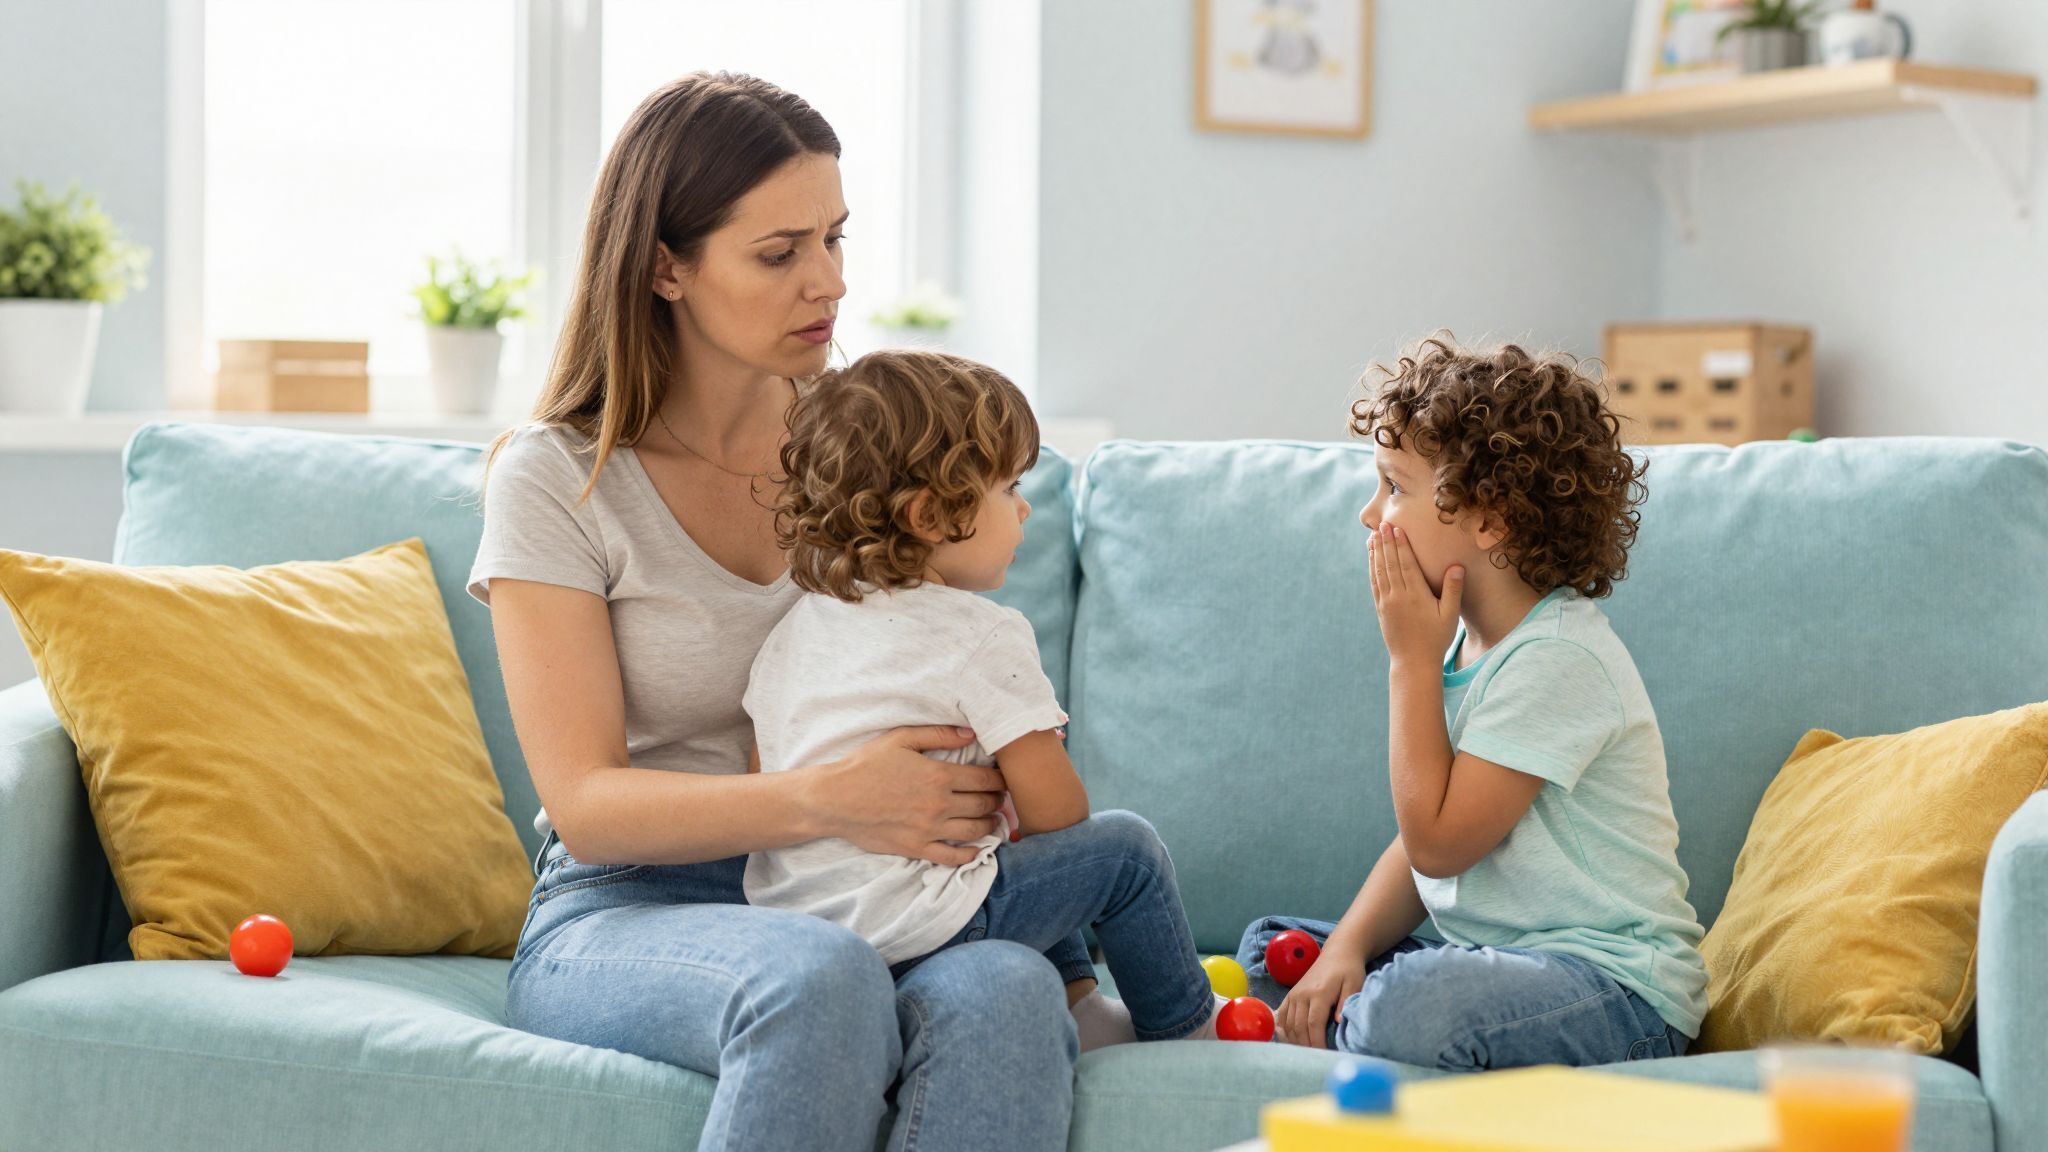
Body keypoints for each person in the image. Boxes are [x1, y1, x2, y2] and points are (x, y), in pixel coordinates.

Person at [470, 72, 1076, 1151]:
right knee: (815, 979)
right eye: (779, 252)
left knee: (1003, 994)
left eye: (836, 239)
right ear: (664, 265)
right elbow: (589, 802)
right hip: (630, 908)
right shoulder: (556, 478)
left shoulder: (865, 453)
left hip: (869, 892)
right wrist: (828, 800)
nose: (829, 283)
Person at [1238, 336, 1709, 1070]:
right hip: (1497, 964)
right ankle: (1351, 1018)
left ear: (1490, 521)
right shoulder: (1469, 643)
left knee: (1413, 1003)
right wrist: (1349, 947)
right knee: (1277, 948)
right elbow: (1422, 855)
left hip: (1615, 995)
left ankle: (1359, 1024)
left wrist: (1409, 664)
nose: (1370, 515)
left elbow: (1439, 843)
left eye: (1393, 486)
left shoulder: (1557, 658)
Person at [744, 349, 1225, 1049]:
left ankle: (1082, 1009)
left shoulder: (791, 633)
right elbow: (1061, 815)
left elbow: (768, 784)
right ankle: (1189, 1028)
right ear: (930, 514)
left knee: (1016, 855)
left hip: (799, 937)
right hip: (921, 923)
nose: (1025, 506)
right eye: (1009, 488)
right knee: (1122, 853)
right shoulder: (982, 634)